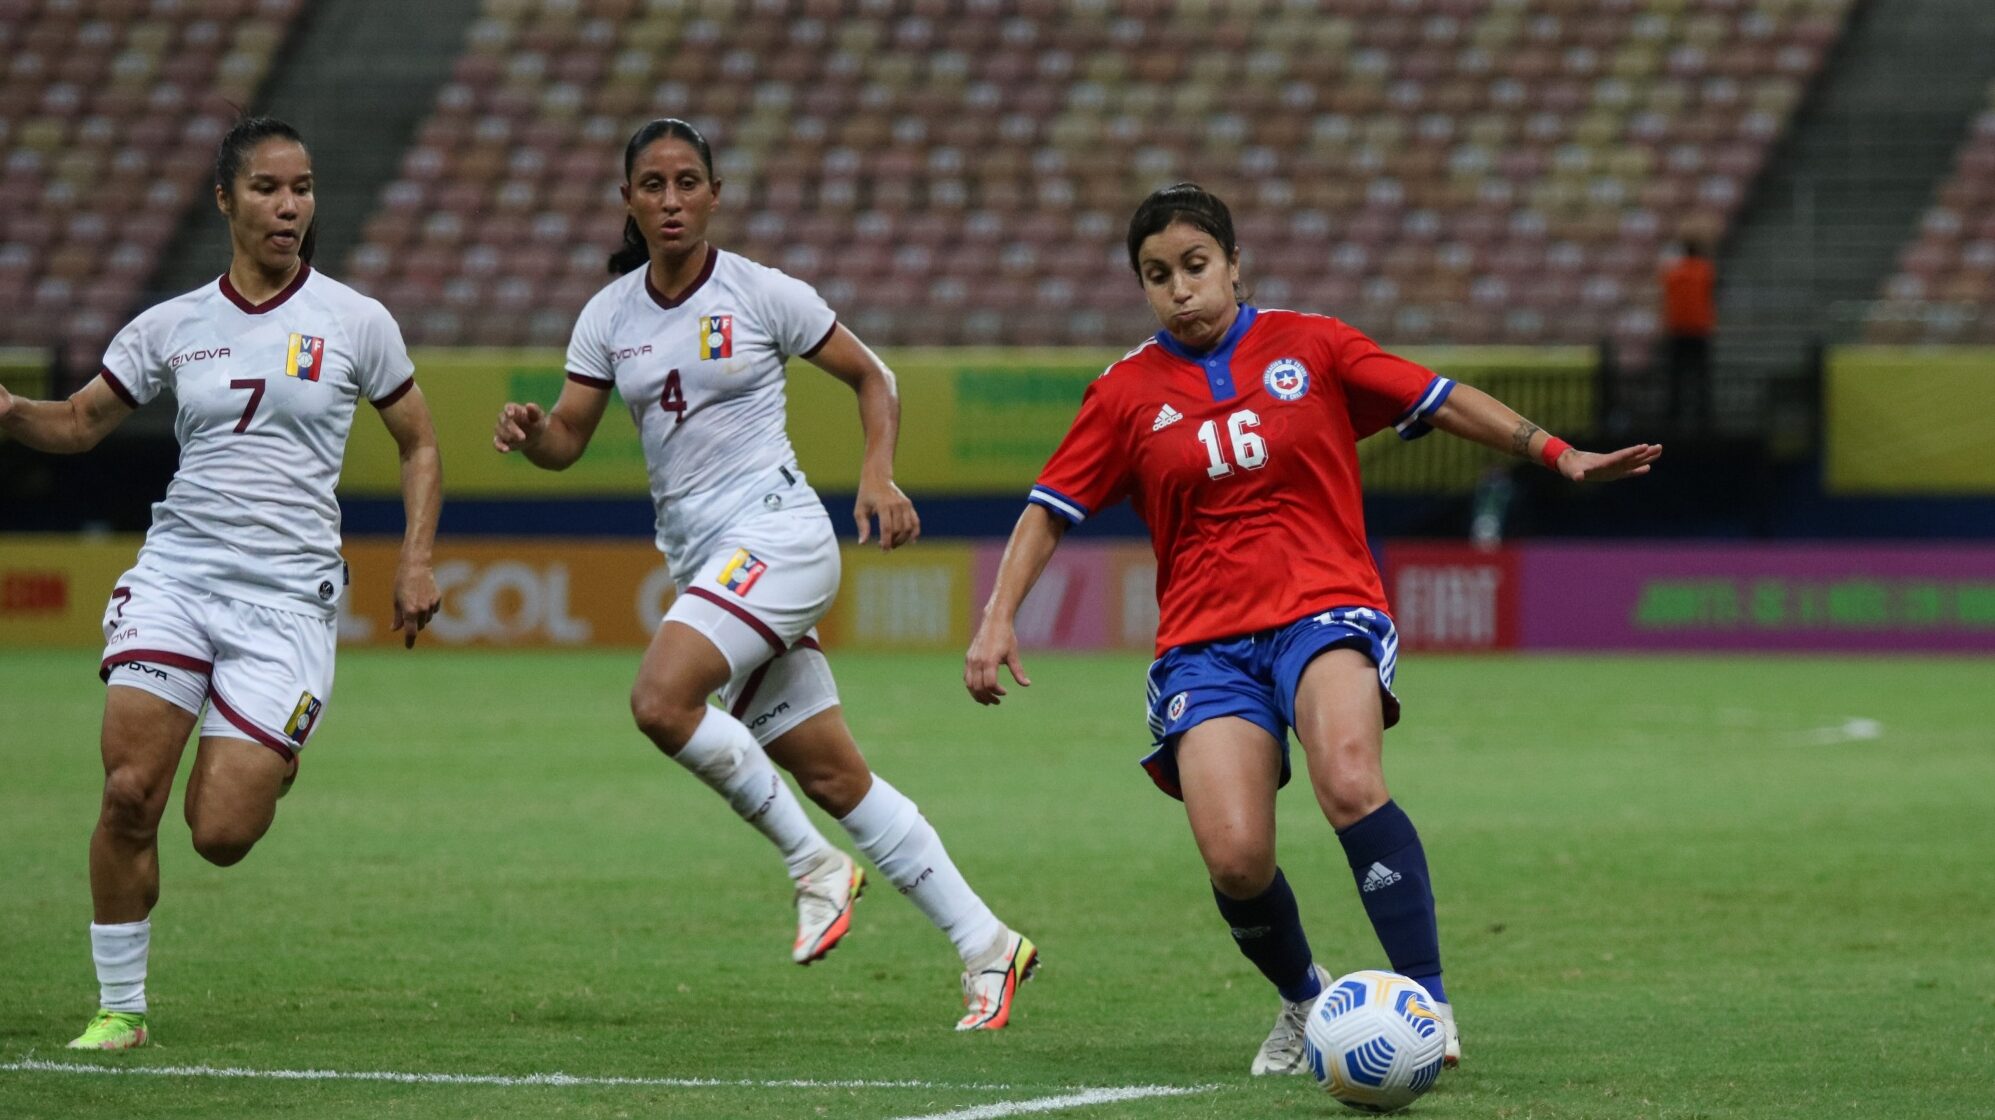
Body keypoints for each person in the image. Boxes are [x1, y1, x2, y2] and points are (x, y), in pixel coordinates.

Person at [965, 183, 1661, 1074]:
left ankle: (1428, 1003)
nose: (1178, 289)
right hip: (1203, 646)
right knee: (1235, 861)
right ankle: (1303, 999)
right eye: (1155, 275)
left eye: (1193, 266)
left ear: (1232, 265)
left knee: (1348, 779)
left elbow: (1439, 397)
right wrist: (996, 620)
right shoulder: (1124, 393)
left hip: (1323, 607)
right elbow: (1048, 509)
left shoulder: (1313, 345)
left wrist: (1559, 455)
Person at [492, 119, 1035, 1030]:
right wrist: (530, 432)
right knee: (834, 778)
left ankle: (812, 866)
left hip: (779, 539)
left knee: (660, 701)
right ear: (629, 199)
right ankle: (989, 946)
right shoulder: (607, 315)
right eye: (653, 184)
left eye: (687, 182)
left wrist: (875, 473)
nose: (671, 199)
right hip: (710, 563)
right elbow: (569, 440)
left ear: (714, 194)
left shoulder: (761, 293)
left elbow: (873, 376)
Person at [0, 117, 443, 1050]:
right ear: (225, 200)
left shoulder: (356, 320)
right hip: (178, 576)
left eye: (304, 188)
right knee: (128, 794)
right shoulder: (172, 325)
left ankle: (263, 746)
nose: (290, 207)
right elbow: (78, 424)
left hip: (289, 600)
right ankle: (121, 1009)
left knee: (221, 831)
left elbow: (419, 442)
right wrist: (7, 410)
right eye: (269, 189)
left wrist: (414, 557)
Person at [1660, 238, 1716, 432]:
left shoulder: (1673, 273)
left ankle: (1674, 413)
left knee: (1677, 375)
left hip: (1678, 329)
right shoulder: (1704, 270)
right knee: (1700, 375)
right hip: (1699, 330)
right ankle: (1703, 413)